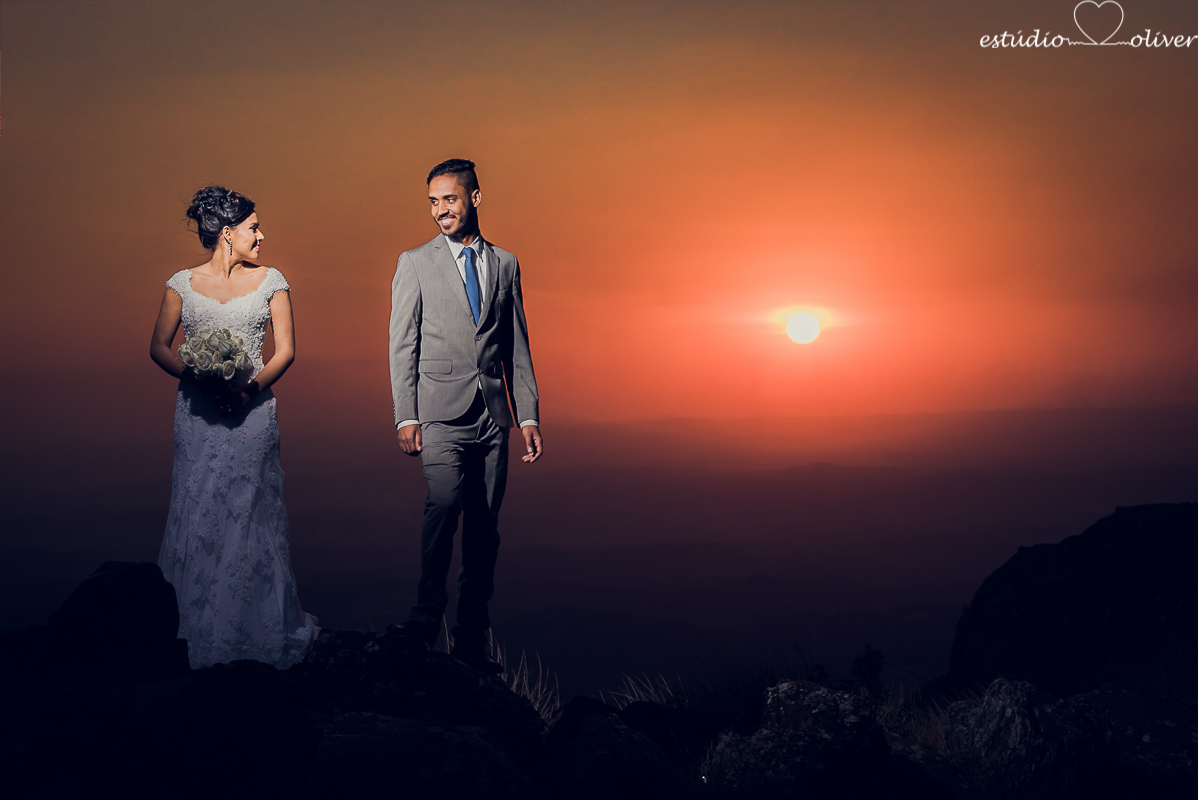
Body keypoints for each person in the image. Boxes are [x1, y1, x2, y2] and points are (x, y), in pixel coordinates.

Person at [150, 185, 318, 669]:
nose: (261, 235)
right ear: (227, 234)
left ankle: (256, 631)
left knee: (250, 514)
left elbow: (285, 350)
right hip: (198, 415)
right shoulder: (181, 283)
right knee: (197, 509)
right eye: (253, 227)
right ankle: (192, 629)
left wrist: (247, 390)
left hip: (252, 414)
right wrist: (197, 378)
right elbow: (160, 345)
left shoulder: (272, 281)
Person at [389, 158, 543, 672]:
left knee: (484, 529)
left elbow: (517, 345)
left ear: (474, 198)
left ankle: (472, 641)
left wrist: (529, 417)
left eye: (449, 199)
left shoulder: (506, 263)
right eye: (432, 202)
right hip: (437, 414)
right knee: (443, 506)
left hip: (495, 417)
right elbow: (401, 344)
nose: (439, 211)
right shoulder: (414, 263)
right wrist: (404, 416)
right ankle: (423, 622)